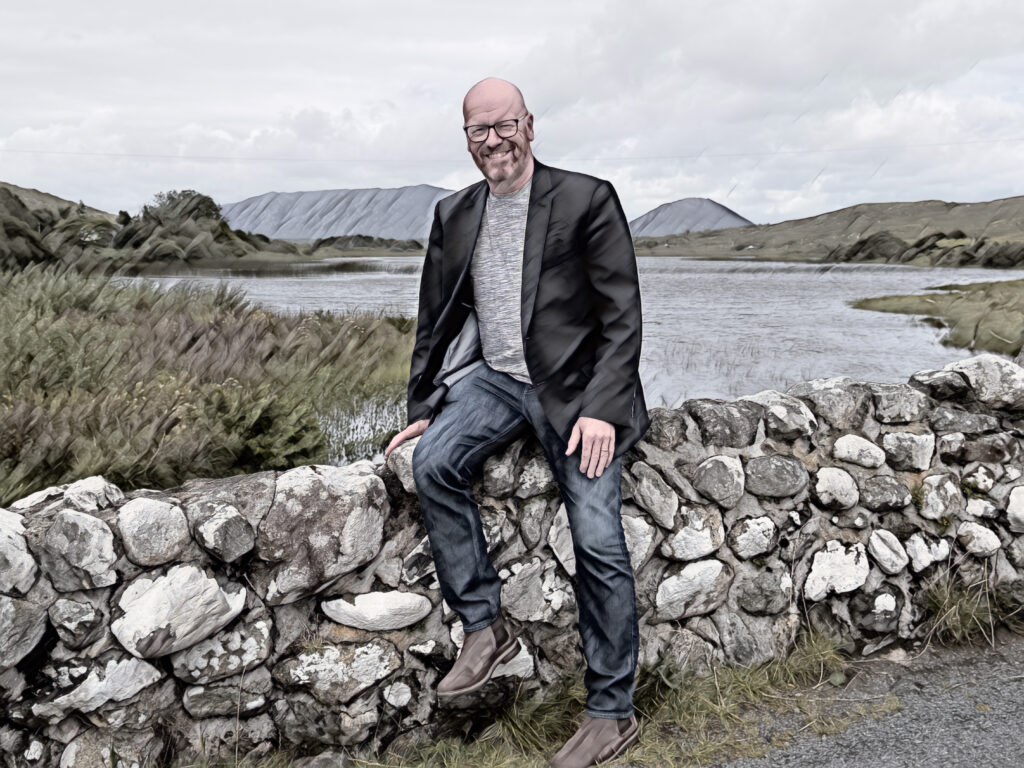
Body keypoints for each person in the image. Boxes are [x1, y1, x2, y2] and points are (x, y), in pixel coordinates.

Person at [385, 76, 649, 768]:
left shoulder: (586, 198)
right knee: (432, 464)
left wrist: (602, 410)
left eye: (505, 125)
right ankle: (484, 625)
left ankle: (611, 712)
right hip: (498, 383)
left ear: (530, 124)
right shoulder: (454, 214)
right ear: (466, 138)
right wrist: (425, 409)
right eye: (480, 129)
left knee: (596, 540)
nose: (494, 140)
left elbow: (622, 316)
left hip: (577, 393)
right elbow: (434, 320)